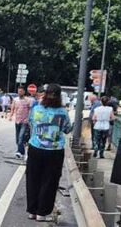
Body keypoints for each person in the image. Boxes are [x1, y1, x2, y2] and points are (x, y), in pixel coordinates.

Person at [24, 83, 73, 222]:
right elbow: (67, 129)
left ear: (45, 94)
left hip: (36, 147)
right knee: (49, 181)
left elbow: (31, 124)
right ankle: (42, 213)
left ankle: (32, 211)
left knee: (33, 179)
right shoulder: (62, 112)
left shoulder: (37, 109)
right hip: (54, 151)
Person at [10, 87, 32, 159]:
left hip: (24, 121)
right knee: (17, 138)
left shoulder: (28, 100)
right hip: (17, 121)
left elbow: (31, 110)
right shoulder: (15, 100)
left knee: (21, 137)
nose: (19, 93)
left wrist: (28, 118)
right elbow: (12, 109)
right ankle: (22, 152)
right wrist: (10, 116)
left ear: (24, 92)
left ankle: (19, 152)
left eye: (21, 91)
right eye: (18, 91)